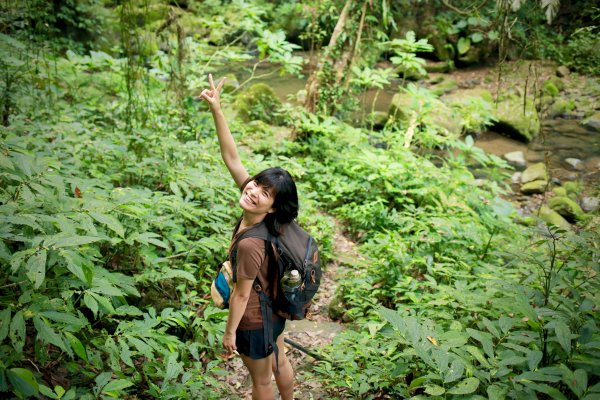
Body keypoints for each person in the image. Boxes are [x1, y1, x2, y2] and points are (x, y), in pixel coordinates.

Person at [200, 74, 296, 400]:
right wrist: (217, 108)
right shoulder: (267, 216)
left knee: (261, 382)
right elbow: (232, 158)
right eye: (255, 183)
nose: (253, 191)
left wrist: (229, 333)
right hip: (274, 309)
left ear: (272, 207)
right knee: (280, 359)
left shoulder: (253, 242)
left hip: (254, 319)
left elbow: (240, 297)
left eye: (264, 193)